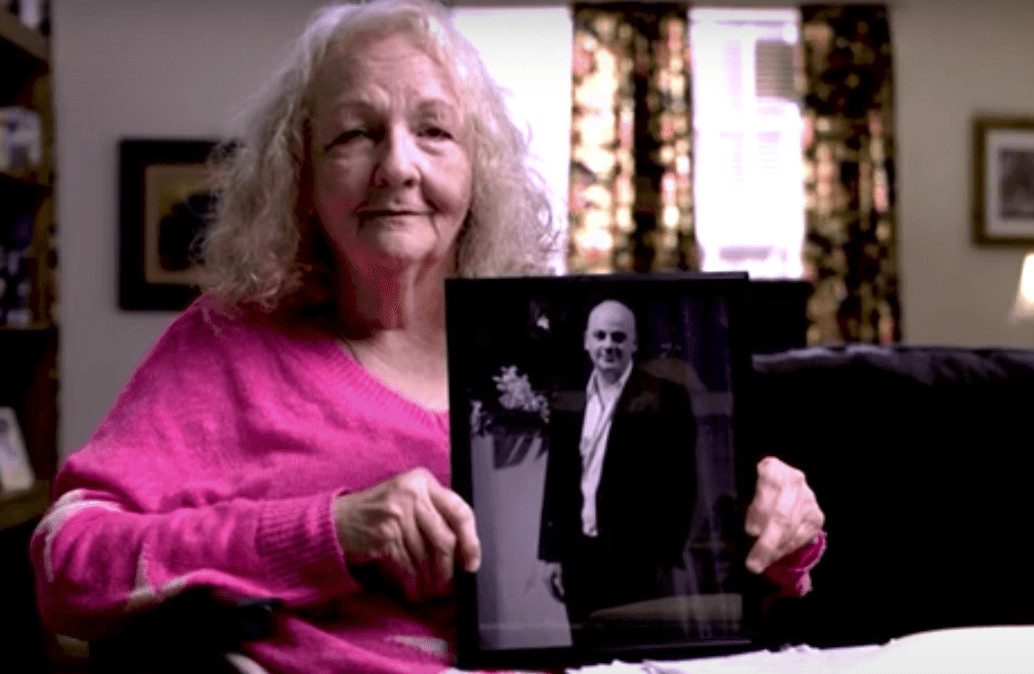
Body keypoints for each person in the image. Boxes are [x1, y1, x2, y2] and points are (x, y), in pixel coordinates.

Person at [30, 2, 825, 673]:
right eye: (354, 135)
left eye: (435, 133)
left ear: (478, 170)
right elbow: (69, 565)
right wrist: (328, 530)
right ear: (299, 173)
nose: (397, 167)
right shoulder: (227, 345)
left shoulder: (556, 349)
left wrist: (771, 529)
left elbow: (660, 561)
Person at [538, 299, 700, 643]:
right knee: (586, 657)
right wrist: (551, 555)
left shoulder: (666, 397)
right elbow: (556, 482)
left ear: (634, 343)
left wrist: (664, 557)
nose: (609, 346)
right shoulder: (568, 399)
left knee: (639, 657)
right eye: (600, 336)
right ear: (586, 341)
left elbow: (683, 485)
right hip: (578, 559)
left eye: (618, 337)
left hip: (638, 563)